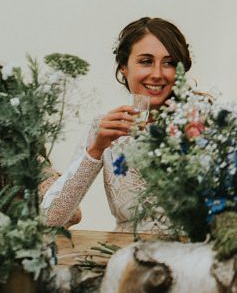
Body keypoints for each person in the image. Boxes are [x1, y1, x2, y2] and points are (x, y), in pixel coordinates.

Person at [41, 17, 192, 232]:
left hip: (190, 257)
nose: (157, 74)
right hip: (126, 257)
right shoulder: (104, 127)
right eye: (146, 61)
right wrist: (95, 150)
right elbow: (50, 219)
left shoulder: (201, 126)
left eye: (168, 63)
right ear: (124, 67)